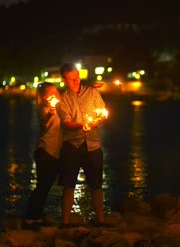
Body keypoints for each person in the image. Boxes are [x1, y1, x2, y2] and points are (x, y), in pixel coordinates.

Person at [56, 62, 107, 227]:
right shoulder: (62, 99)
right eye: (71, 79)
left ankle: (100, 220)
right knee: (68, 185)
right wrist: (81, 125)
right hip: (72, 146)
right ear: (64, 80)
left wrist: (96, 122)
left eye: (76, 77)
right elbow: (66, 123)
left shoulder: (92, 92)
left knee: (96, 184)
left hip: (92, 145)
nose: (75, 81)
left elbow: (102, 113)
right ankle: (65, 223)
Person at [24, 82, 62, 226]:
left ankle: (36, 214)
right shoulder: (44, 108)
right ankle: (31, 216)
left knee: (46, 185)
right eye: (50, 92)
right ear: (44, 96)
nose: (54, 94)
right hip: (46, 151)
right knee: (42, 186)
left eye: (55, 91)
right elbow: (46, 121)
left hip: (55, 152)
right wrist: (51, 112)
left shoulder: (60, 106)